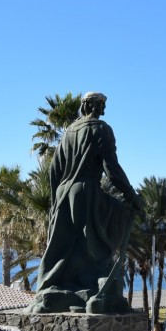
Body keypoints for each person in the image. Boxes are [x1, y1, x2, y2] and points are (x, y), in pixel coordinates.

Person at [28, 92, 144, 314]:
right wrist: (131, 195)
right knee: (97, 233)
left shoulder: (69, 131)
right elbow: (112, 169)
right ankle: (94, 282)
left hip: (63, 192)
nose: (104, 110)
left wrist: (56, 200)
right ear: (90, 105)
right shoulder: (101, 129)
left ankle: (57, 285)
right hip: (85, 190)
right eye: (101, 105)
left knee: (63, 244)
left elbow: (54, 170)